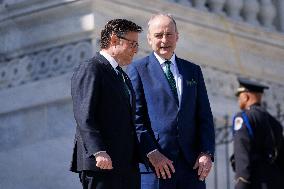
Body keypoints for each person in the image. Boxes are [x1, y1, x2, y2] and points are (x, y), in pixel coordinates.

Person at [127, 14, 215, 189]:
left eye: (169, 34)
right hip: (156, 168)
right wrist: (151, 152)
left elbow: (204, 116)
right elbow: (134, 119)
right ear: (149, 39)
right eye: (159, 35)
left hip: (192, 168)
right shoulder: (137, 70)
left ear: (177, 36)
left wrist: (206, 153)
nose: (164, 40)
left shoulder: (193, 71)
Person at [69, 18, 142, 189]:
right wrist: (98, 150)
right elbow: (84, 114)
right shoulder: (92, 68)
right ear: (114, 40)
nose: (135, 51)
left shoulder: (121, 75)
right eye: (132, 44)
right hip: (102, 163)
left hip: (125, 165)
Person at [232, 77, 284, 189]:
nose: (238, 100)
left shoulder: (243, 117)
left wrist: (241, 182)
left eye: (239, 96)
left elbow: (242, 153)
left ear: (246, 96)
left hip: (255, 181)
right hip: (276, 182)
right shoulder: (275, 123)